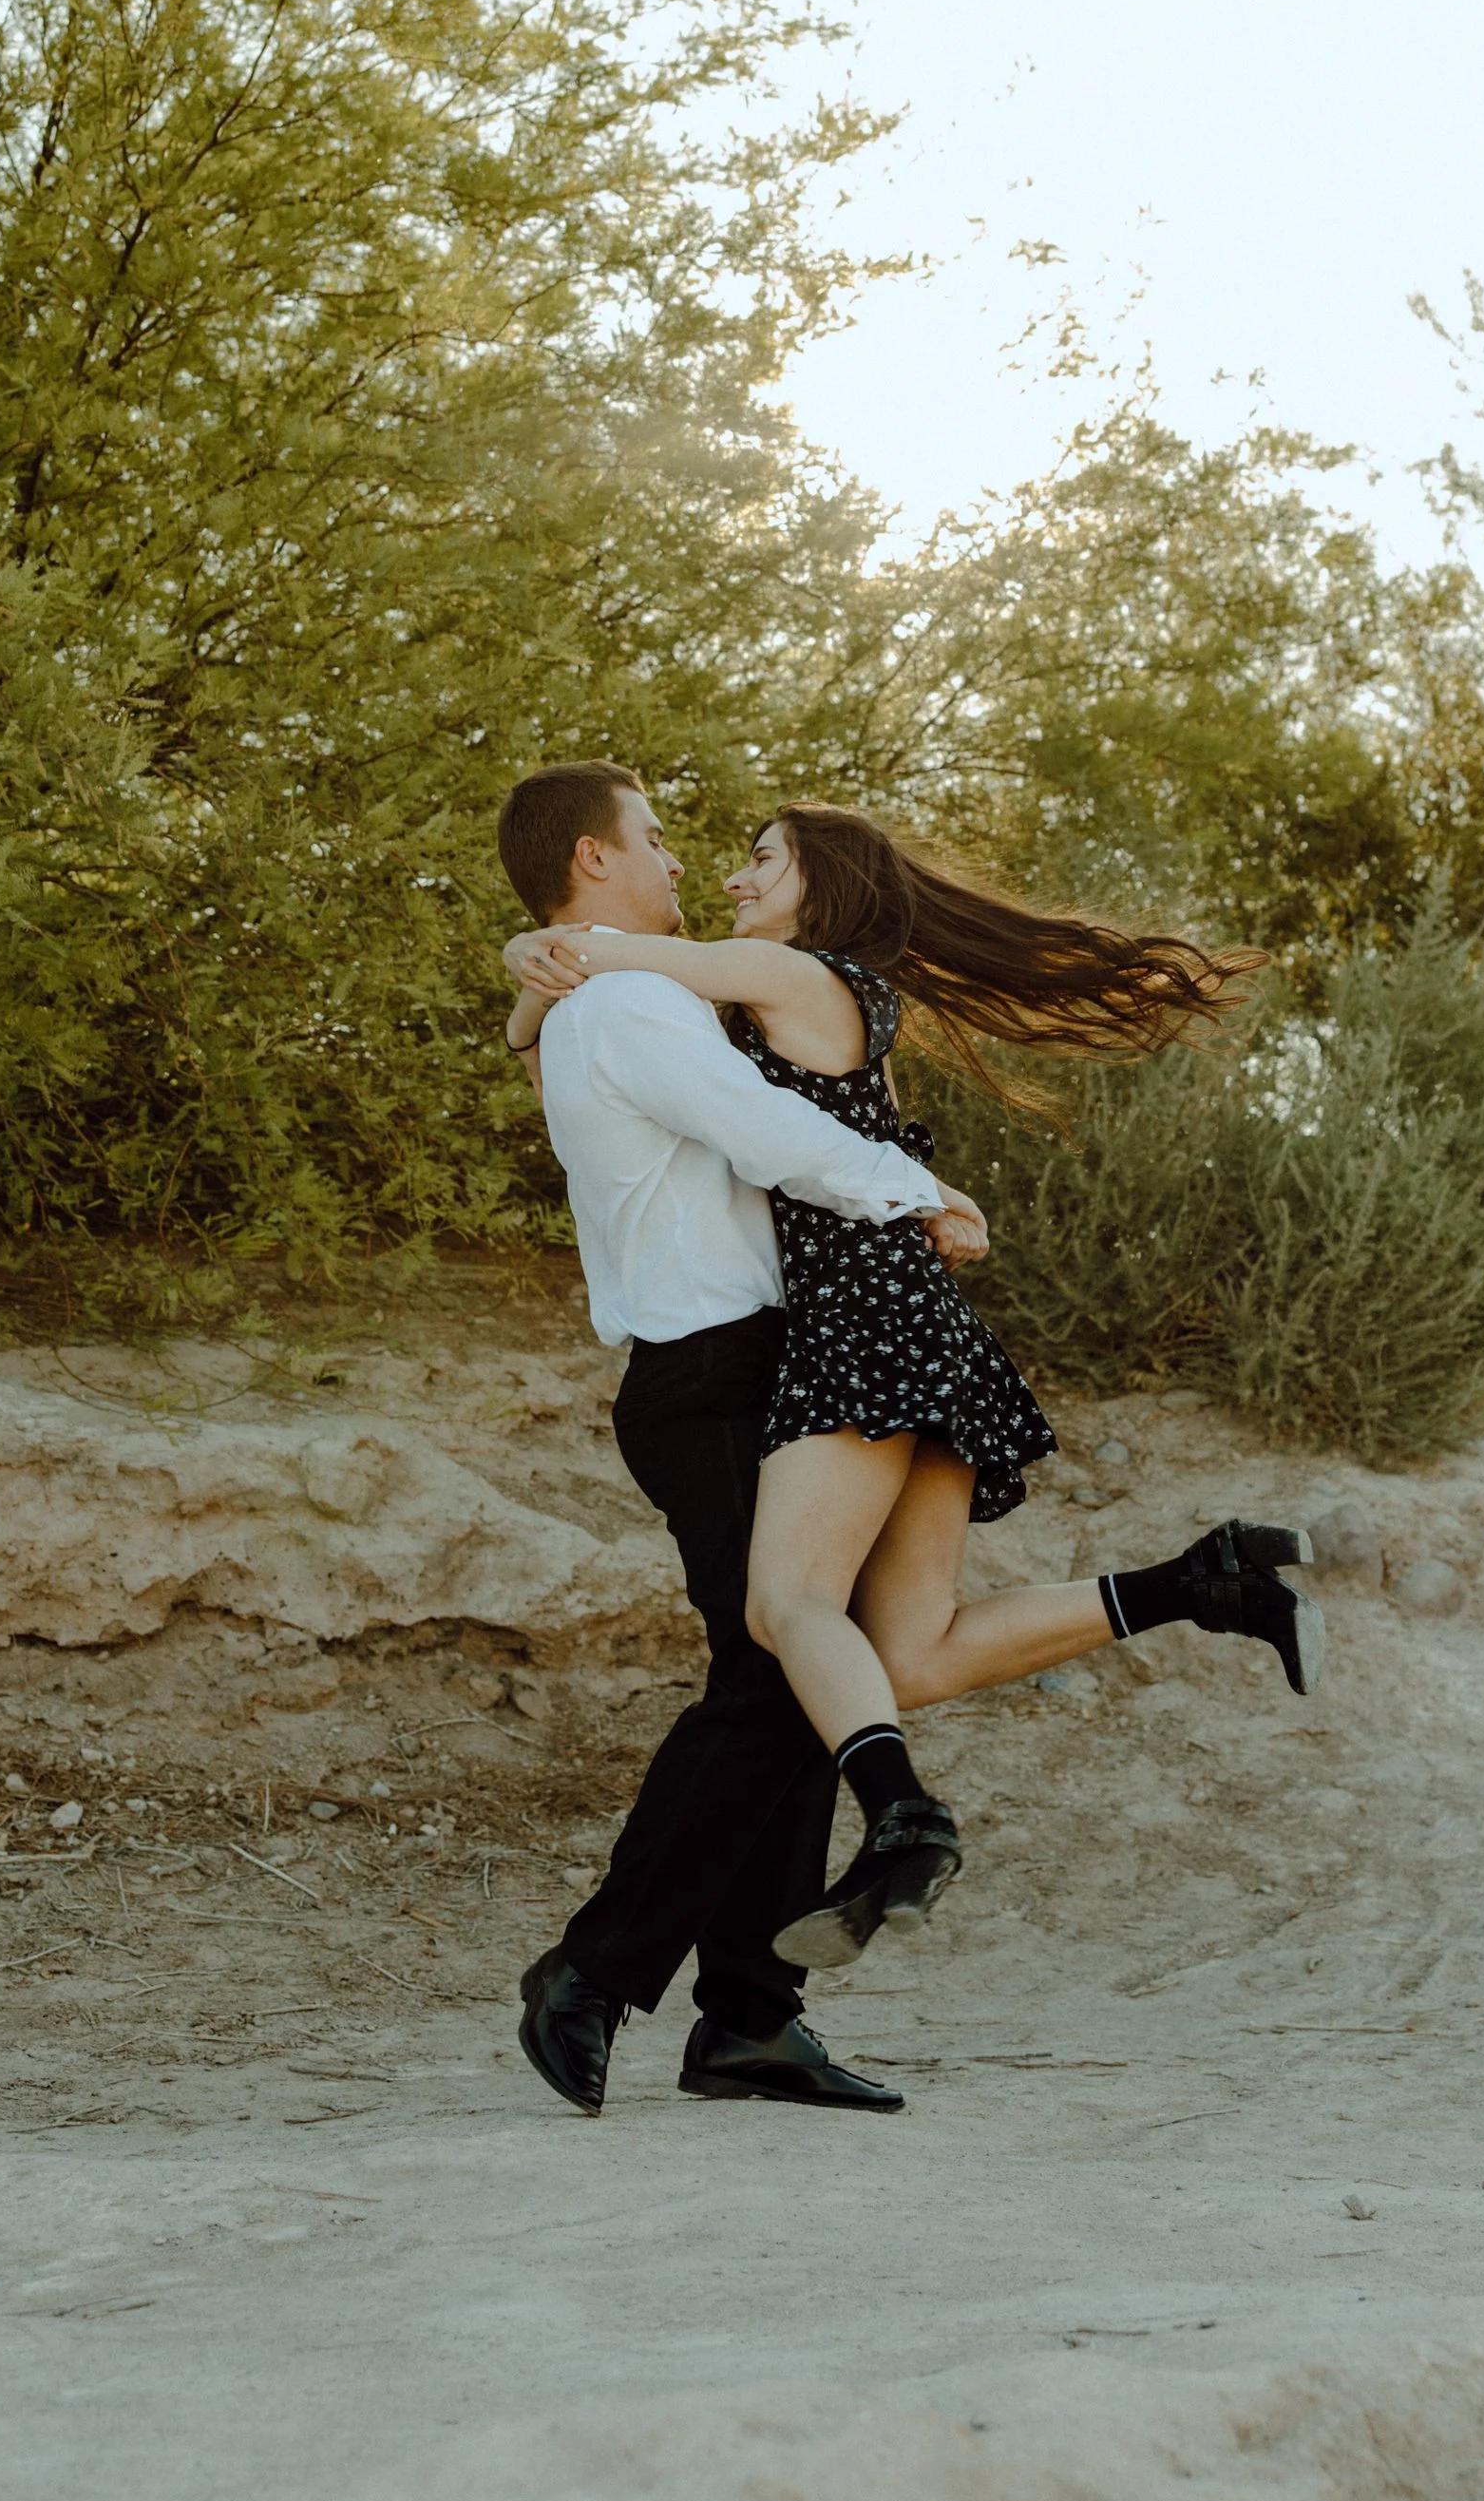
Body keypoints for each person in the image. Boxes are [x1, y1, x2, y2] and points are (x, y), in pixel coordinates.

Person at [503, 798, 1323, 1975]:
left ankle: (898, 1825)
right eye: (692, 848)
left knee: (787, 1624)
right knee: (907, 1651)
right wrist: (533, 970)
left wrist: (545, 952)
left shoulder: (766, 978)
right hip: (907, 1320)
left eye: (760, 858)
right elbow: (612, 1014)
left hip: (854, 1323)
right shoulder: (802, 993)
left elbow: (673, 1019)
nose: (722, 872)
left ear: (818, 887)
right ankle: (1199, 1583)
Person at [495, 760, 992, 2121]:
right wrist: (919, 1188)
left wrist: (530, 971)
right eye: (653, 840)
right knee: (779, 1673)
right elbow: (764, 1131)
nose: (678, 864)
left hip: (748, 1369)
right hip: (706, 1376)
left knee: (784, 1676)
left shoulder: (612, 992)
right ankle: (598, 1973)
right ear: (595, 861)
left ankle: (749, 2021)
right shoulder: (635, 1002)